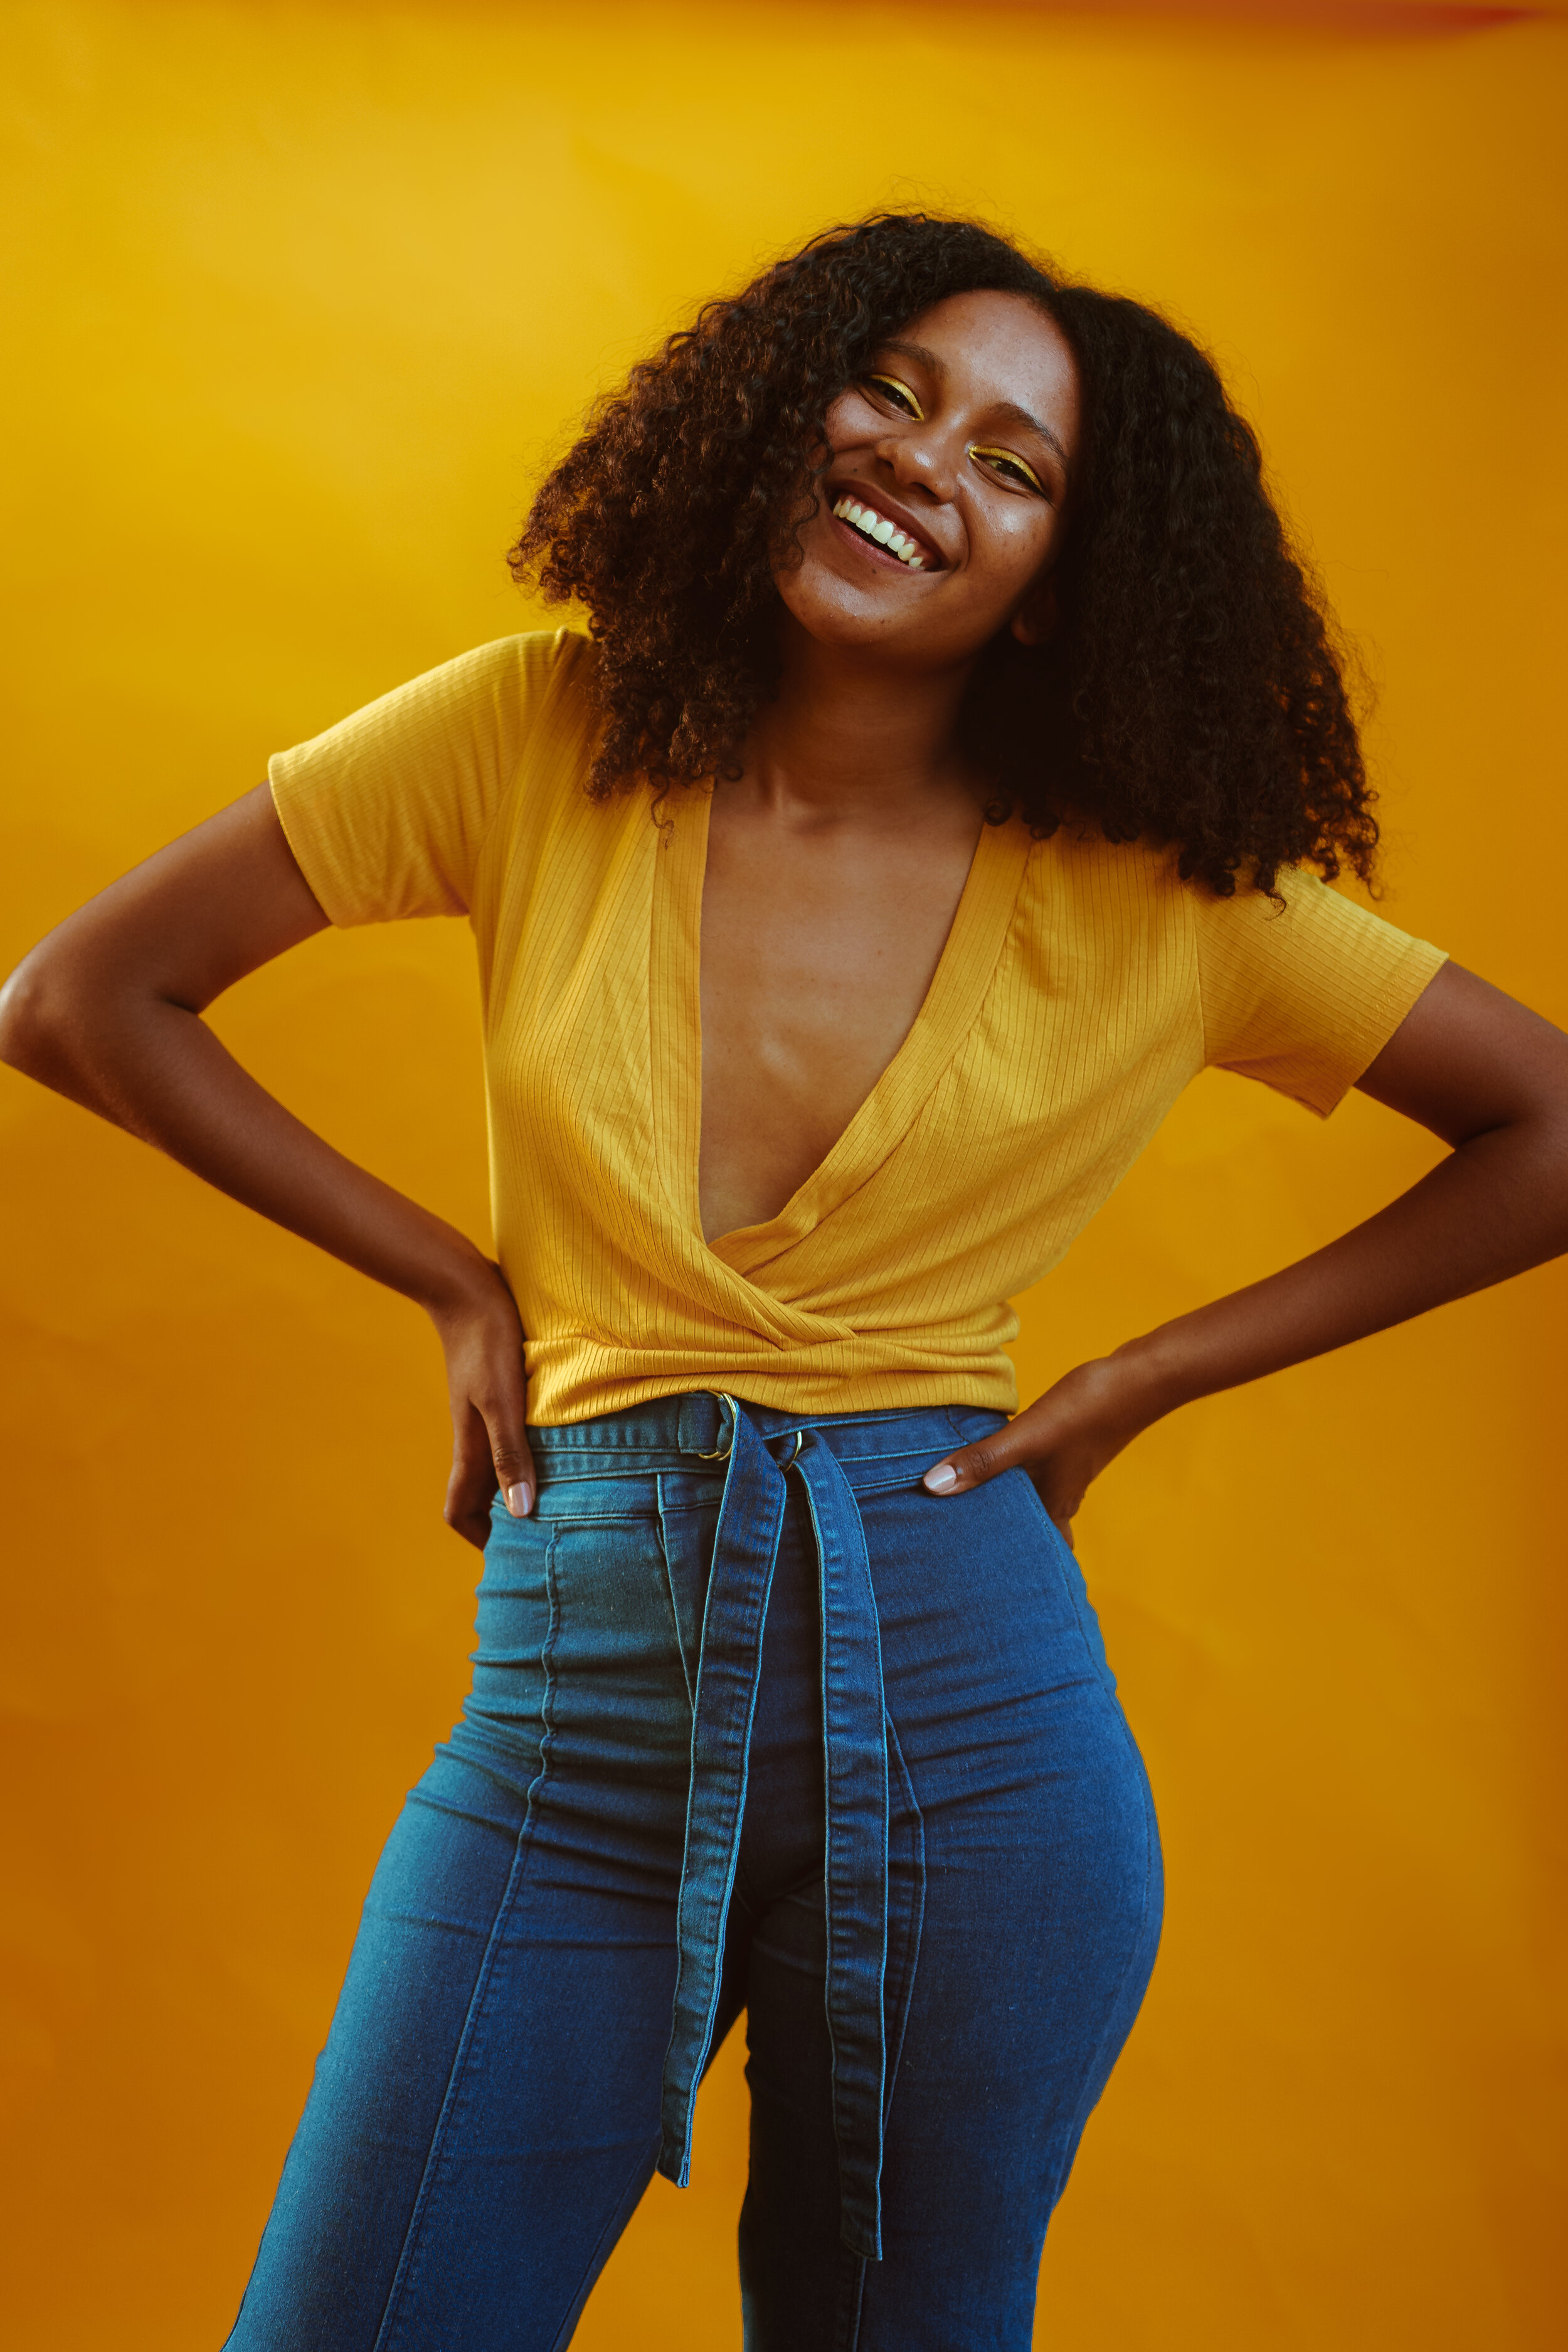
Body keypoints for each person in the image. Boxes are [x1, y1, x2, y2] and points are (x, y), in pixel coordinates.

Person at [3, 212, 1565, 2352]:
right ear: (776, 406)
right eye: (897, 393)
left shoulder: (1171, 893)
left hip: (974, 1711)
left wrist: (1138, 1381)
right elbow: (82, 996)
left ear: (1065, 588)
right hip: (581, 1691)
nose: (933, 464)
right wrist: (459, 1287)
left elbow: (1548, 1123)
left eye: (1017, 468)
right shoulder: (533, 731)